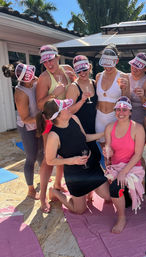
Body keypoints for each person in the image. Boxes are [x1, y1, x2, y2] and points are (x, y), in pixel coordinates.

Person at [36, 98, 111, 214]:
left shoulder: (74, 118)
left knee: (108, 196)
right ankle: (54, 192)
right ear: (58, 115)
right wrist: (72, 160)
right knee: (79, 210)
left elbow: (85, 137)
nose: (68, 109)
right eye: (64, 108)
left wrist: (105, 133)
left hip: (91, 166)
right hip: (75, 173)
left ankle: (90, 190)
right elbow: (50, 161)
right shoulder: (53, 136)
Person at [36, 44, 76, 213]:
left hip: (65, 120)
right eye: (45, 62)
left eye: (51, 60)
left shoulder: (67, 70)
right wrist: (54, 93)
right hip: (51, 122)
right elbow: (40, 104)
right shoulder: (44, 78)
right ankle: (43, 196)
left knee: (64, 154)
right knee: (48, 160)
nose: (49, 64)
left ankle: (58, 184)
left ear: (57, 57)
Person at [103, 96, 145, 233]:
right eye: (118, 109)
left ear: (130, 112)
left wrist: (123, 172)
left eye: (125, 110)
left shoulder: (137, 128)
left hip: (132, 167)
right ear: (115, 111)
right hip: (115, 167)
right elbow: (109, 149)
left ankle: (121, 218)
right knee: (110, 191)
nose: (121, 112)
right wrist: (107, 153)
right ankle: (123, 200)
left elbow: (138, 154)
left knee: (115, 188)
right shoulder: (109, 127)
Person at [2, 62, 43, 199]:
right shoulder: (20, 93)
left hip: (38, 122)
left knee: (41, 153)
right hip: (27, 126)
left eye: (33, 77)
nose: (34, 80)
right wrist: (43, 116)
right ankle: (31, 189)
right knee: (31, 156)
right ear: (24, 80)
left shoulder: (33, 79)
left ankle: (43, 176)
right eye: (30, 79)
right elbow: (25, 119)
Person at [66, 55, 101, 163]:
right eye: (79, 71)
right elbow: (69, 111)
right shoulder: (73, 87)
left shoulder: (94, 83)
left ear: (89, 67)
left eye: (84, 69)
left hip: (93, 126)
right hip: (80, 128)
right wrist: (81, 101)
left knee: (95, 157)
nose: (82, 73)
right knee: (89, 158)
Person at [96, 43, 129, 144]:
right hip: (99, 117)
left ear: (116, 61)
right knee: (102, 146)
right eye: (105, 63)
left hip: (115, 117)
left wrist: (123, 88)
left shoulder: (123, 76)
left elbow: (127, 101)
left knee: (115, 146)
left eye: (111, 63)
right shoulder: (98, 76)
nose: (108, 67)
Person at [128, 52, 146, 124]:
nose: (134, 69)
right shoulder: (125, 77)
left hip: (142, 120)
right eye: (133, 65)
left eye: (138, 67)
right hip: (126, 118)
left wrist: (142, 97)